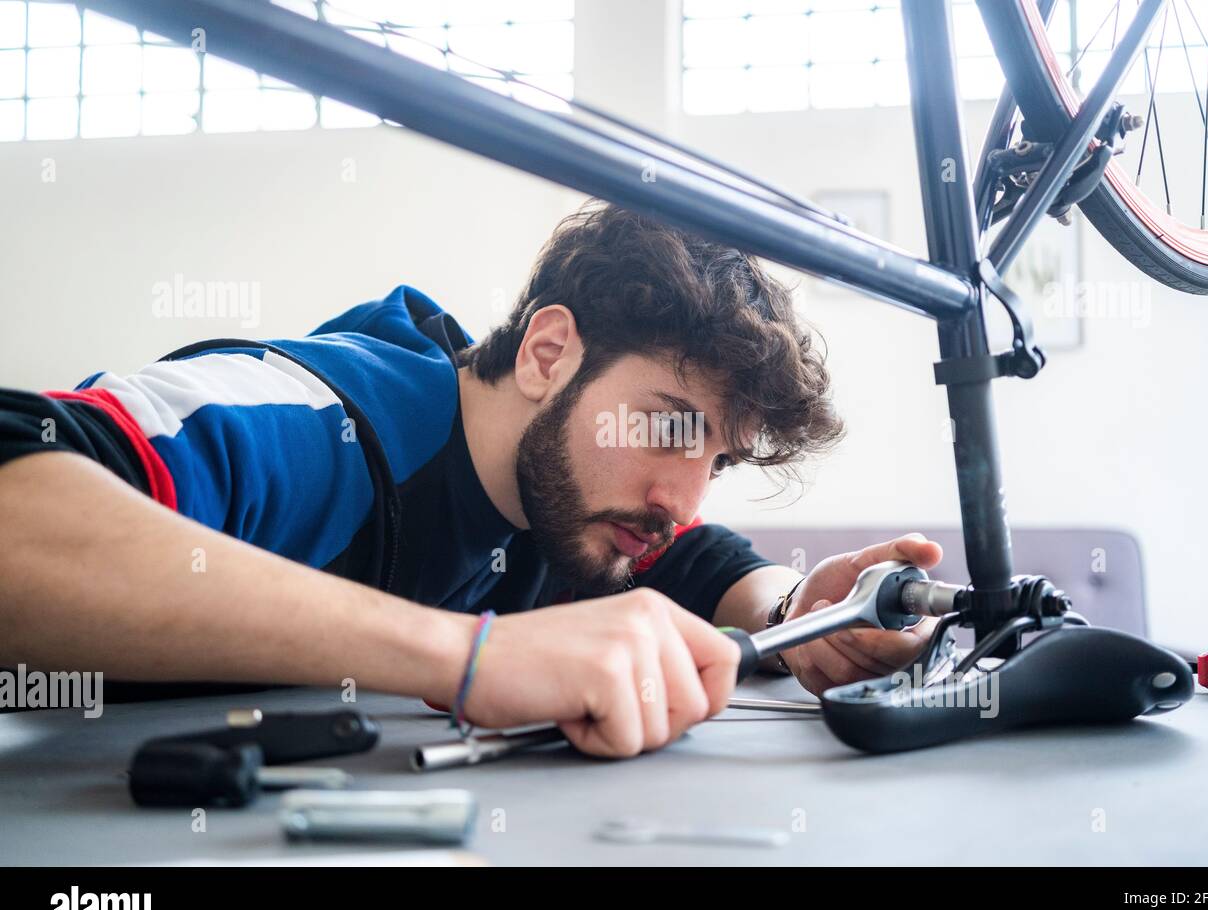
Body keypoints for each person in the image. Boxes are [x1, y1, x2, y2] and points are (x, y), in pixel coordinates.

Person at [0, 201, 942, 756]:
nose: (682, 496)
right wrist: (470, 656)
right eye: (665, 427)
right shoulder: (298, 423)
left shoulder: (567, 498)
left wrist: (800, 617)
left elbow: (702, 564)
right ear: (547, 352)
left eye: (718, 461)